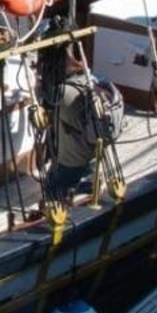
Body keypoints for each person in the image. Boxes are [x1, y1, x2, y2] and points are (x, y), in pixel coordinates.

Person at [45, 50, 99, 201]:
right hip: (94, 152)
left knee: (51, 189)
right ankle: (88, 180)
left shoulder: (62, 92)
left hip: (72, 159)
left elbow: (45, 100)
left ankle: (75, 189)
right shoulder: (92, 80)